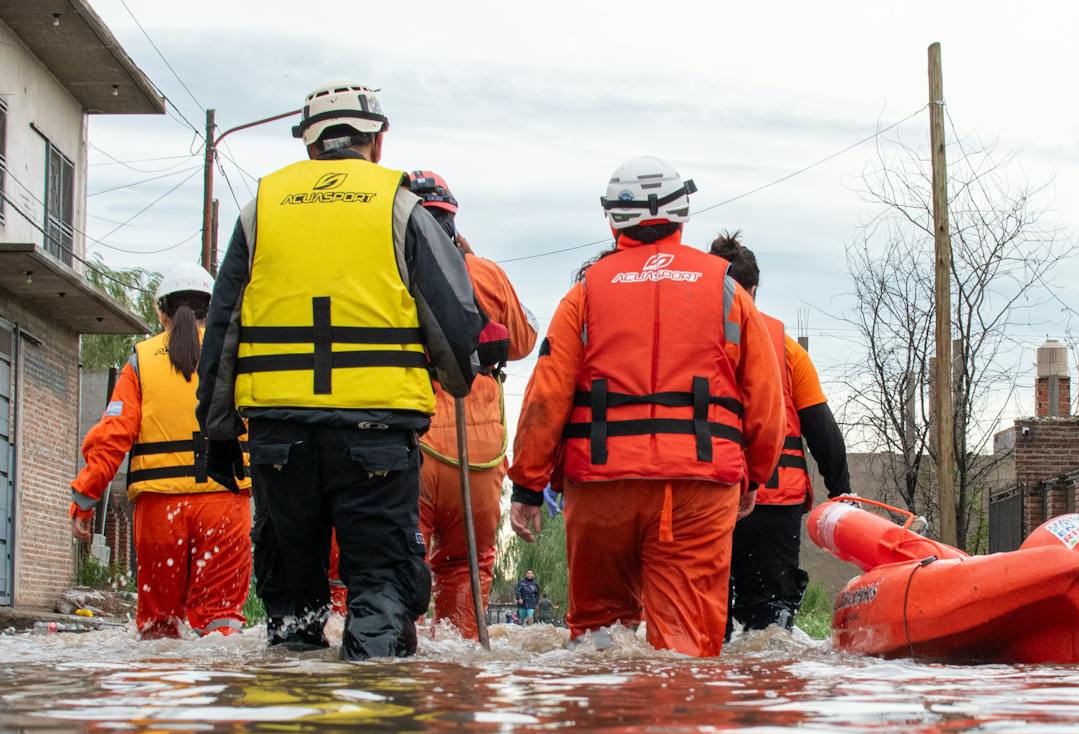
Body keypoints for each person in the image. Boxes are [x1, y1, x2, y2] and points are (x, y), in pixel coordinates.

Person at [195, 80, 486, 660]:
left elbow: (222, 326)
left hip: (280, 438)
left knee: (293, 601)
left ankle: (295, 717)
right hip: (377, 436)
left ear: (309, 145)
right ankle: (371, 716)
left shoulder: (261, 211)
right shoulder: (399, 206)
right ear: (377, 142)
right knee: (380, 585)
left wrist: (218, 428)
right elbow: (455, 324)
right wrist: (457, 378)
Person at [508, 156, 785, 657]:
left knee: (597, 638)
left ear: (613, 219)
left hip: (600, 485)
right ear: (683, 215)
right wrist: (757, 475)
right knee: (684, 648)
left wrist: (527, 485)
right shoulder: (727, 291)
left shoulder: (585, 292)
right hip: (698, 487)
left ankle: (599, 731)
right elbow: (765, 400)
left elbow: (546, 395)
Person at [70, 264, 253, 638]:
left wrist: (85, 499)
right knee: (221, 623)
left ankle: (163, 693)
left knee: (158, 627)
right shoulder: (238, 356)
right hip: (224, 504)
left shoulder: (141, 361)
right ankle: (219, 690)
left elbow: (112, 437)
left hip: (160, 510)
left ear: (161, 312)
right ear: (215, 307)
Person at [406, 171, 537, 637]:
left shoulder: (388, 267)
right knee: (465, 568)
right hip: (477, 459)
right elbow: (522, 341)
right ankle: (459, 677)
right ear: (452, 221)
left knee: (396, 567)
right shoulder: (486, 273)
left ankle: (398, 663)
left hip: (410, 446)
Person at [708, 232, 851, 634]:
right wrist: (842, 493)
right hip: (774, 503)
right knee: (770, 621)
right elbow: (821, 429)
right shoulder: (787, 350)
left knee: (704, 621)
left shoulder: (691, 347)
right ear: (753, 289)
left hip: (707, 499)